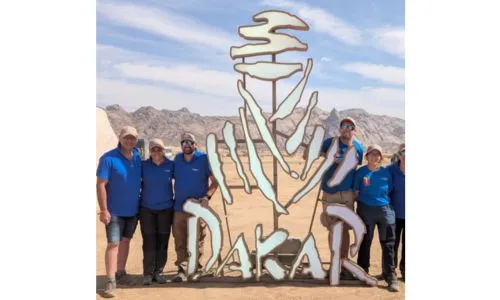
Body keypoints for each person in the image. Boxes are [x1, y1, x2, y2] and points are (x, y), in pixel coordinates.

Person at [309, 117, 364, 280]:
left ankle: (344, 265)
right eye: (344, 126)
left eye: (350, 126)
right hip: (330, 193)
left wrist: (356, 189)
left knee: (345, 229)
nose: (346, 129)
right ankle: (334, 265)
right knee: (333, 228)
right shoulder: (330, 142)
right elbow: (309, 156)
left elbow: (357, 170)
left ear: (354, 130)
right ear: (340, 129)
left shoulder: (359, 148)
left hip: (347, 195)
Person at [96, 126, 142, 298]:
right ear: (120, 138)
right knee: (113, 244)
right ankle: (110, 280)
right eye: (126, 138)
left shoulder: (137, 156)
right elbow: (101, 184)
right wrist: (103, 210)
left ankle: (121, 273)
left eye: (132, 138)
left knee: (125, 241)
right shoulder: (108, 158)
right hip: (113, 211)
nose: (129, 141)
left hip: (132, 210)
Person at [172, 132, 219, 282]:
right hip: (179, 207)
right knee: (179, 238)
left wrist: (207, 196)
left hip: (197, 207)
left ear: (195, 145)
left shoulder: (203, 159)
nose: (186, 145)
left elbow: (215, 182)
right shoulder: (177, 159)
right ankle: (181, 268)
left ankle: (195, 267)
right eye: (183, 142)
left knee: (197, 238)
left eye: (189, 142)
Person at [353, 144, 399, 292]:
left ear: (381, 157)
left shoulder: (386, 172)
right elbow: (355, 191)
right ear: (366, 156)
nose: (375, 157)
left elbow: (391, 190)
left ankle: (390, 276)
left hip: (385, 211)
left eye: (377, 154)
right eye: (371, 154)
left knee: (388, 244)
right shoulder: (361, 172)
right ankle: (362, 271)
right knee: (365, 241)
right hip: (366, 210)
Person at [139, 138, 175, 285]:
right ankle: (148, 273)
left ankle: (159, 272)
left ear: (163, 150)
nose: (156, 151)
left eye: (158, 149)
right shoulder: (143, 165)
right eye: (153, 149)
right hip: (147, 208)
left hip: (166, 209)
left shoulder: (171, 165)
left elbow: (185, 177)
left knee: (162, 242)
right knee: (148, 241)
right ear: (149, 151)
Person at [388, 143, 405, 281]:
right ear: (399, 155)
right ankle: (391, 271)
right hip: (394, 213)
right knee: (393, 243)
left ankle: (405, 271)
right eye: (403, 152)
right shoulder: (390, 170)